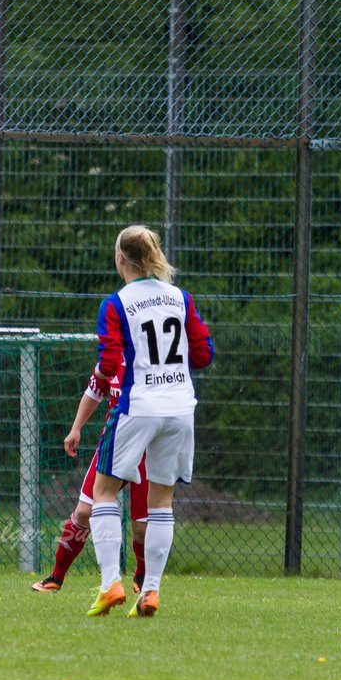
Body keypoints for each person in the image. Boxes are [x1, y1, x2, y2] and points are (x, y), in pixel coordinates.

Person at [85, 225, 212, 618]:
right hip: (179, 407)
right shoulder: (180, 297)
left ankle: (110, 585)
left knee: (104, 493)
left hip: (138, 406)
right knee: (162, 502)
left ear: (120, 258)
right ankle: (151, 591)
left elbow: (108, 363)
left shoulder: (117, 302)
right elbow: (203, 353)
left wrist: (108, 378)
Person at [31, 363, 148, 594]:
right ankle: (56, 576)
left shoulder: (151, 355)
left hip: (148, 449)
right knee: (84, 510)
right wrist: (76, 428)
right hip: (113, 446)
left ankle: (142, 576)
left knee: (141, 527)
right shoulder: (112, 354)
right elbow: (93, 391)